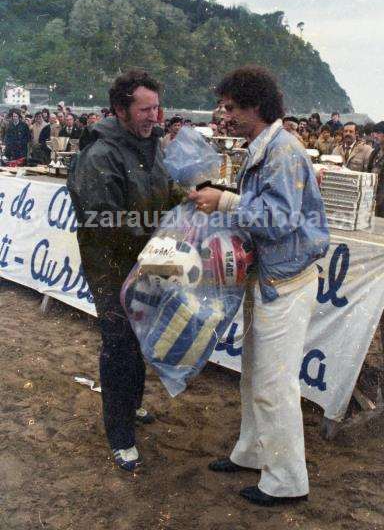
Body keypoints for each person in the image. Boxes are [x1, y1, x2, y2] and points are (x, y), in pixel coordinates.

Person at [189, 65, 329, 507]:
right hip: (269, 279)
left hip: (285, 283)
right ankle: (252, 452)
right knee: (254, 376)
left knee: (274, 383)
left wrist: (226, 201)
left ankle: (286, 480)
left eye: (231, 108)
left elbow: (279, 219)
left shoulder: (284, 152)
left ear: (256, 107)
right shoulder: (264, 148)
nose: (224, 115)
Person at [67, 70, 181, 472]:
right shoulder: (100, 155)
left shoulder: (154, 146)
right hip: (111, 266)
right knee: (119, 345)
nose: (155, 116)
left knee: (140, 340)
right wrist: (157, 228)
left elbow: (167, 190)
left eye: (157, 107)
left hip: (147, 260)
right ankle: (119, 435)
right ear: (120, 110)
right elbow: (100, 220)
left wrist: (192, 201)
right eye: (145, 109)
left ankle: (131, 406)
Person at [367, 121, 384, 217]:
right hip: (372, 195)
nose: (375, 135)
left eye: (378, 133)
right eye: (374, 133)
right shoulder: (375, 152)